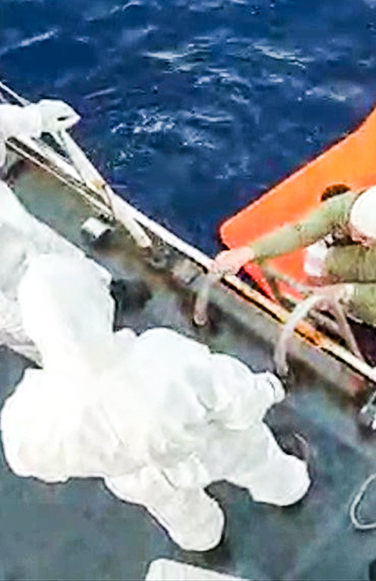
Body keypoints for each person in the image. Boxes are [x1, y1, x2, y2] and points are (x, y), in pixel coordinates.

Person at [0, 254, 311, 552]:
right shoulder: (160, 355)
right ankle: (287, 489)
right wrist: (270, 389)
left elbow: (30, 460)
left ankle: (203, 539)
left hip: (135, 479)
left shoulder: (29, 412)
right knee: (257, 459)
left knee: (178, 512)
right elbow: (235, 397)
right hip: (210, 447)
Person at [212, 182, 376, 364]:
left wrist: (345, 291)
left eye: (365, 239)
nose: (356, 238)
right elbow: (300, 232)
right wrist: (247, 252)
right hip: (339, 306)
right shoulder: (343, 207)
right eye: (353, 231)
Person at [0, 99, 83, 361]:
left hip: (13, 222)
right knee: (52, 344)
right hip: (8, 288)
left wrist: (35, 118)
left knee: (51, 247)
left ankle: (107, 292)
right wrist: (41, 335)